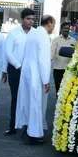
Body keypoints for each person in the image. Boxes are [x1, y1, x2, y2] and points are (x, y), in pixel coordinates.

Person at [16, 14, 54, 144]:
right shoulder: (43, 36)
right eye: (53, 25)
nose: (53, 28)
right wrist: (46, 80)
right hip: (36, 72)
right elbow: (44, 60)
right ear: (49, 22)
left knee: (27, 100)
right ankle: (34, 134)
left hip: (27, 70)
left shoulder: (33, 33)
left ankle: (27, 129)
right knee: (36, 102)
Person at [4, 8, 34, 136]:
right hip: (16, 70)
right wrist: (18, 65)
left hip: (31, 70)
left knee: (30, 98)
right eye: (28, 19)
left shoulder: (35, 33)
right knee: (16, 98)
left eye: (32, 19)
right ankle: (13, 126)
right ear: (23, 19)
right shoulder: (14, 33)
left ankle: (27, 127)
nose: (30, 21)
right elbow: (8, 52)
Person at [51, 21, 76, 95]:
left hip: (69, 70)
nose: (66, 30)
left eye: (68, 28)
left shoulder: (73, 40)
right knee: (58, 90)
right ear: (61, 29)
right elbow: (51, 53)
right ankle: (58, 106)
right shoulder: (56, 40)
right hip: (58, 69)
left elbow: (76, 54)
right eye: (65, 28)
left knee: (68, 90)